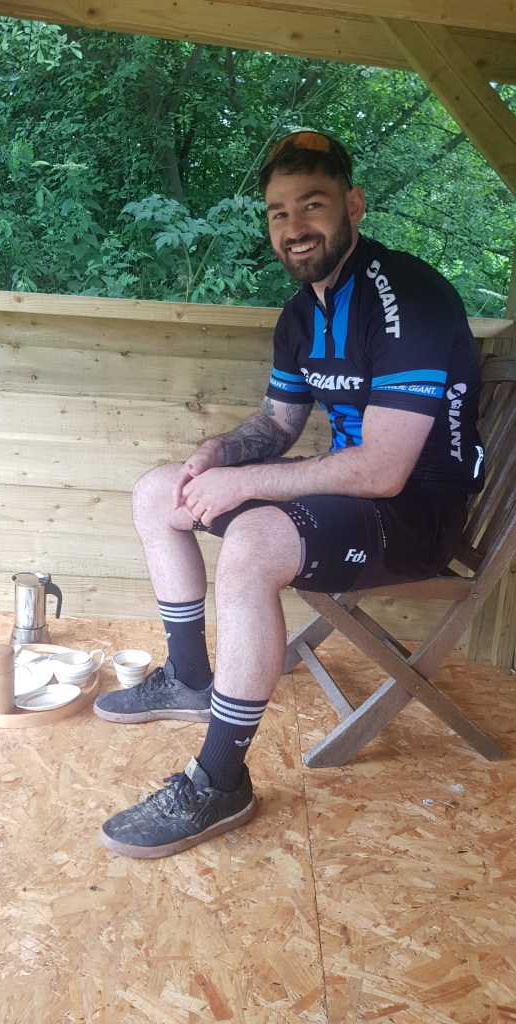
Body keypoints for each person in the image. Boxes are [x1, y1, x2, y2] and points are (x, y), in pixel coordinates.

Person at [94, 130, 484, 859]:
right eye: (279, 212)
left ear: (353, 206)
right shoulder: (301, 314)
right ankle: (188, 678)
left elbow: (383, 472)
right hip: (351, 494)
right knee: (158, 492)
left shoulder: (407, 296)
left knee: (254, 541)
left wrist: (244, 484)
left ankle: (220, 782)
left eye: (312, 204)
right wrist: (216, 455)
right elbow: (276, 425)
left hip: (418, 513)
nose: (294, 225)